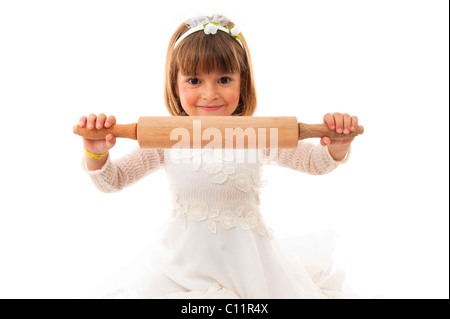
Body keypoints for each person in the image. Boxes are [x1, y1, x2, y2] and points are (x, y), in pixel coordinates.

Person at [78, 14, 359, 298]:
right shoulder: (168, 138)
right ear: (176, 85)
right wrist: (96, 152)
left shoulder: (255, 134)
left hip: (248, 269)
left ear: (242, 82)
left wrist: (337, 146)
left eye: (224, 79)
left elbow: (314, 163)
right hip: (182, 269)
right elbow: (113, 181)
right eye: (194, 80)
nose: (209, 93)